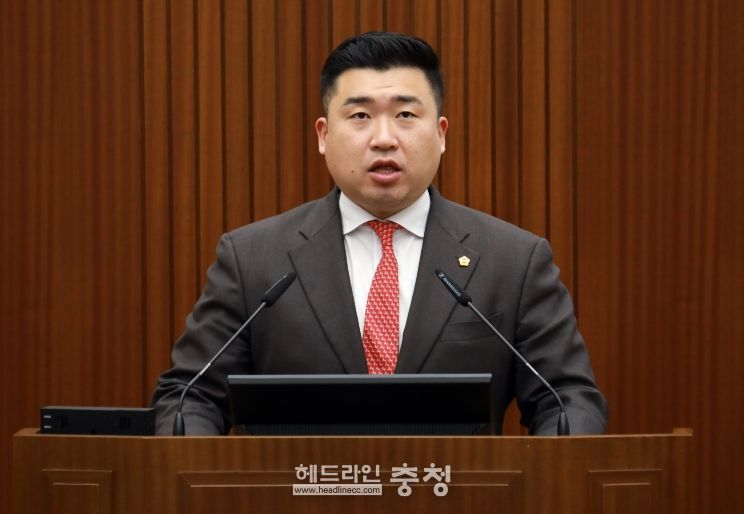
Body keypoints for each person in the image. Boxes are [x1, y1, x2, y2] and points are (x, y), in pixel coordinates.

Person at [151, 32, 608, 435]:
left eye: (406, 114)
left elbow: (567, 398)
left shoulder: (513, 260)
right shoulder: (253, 258)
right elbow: (191, 396)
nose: (384, 138)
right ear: (323, 135)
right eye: (360, 116)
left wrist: (548, 480)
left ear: (441, 133)